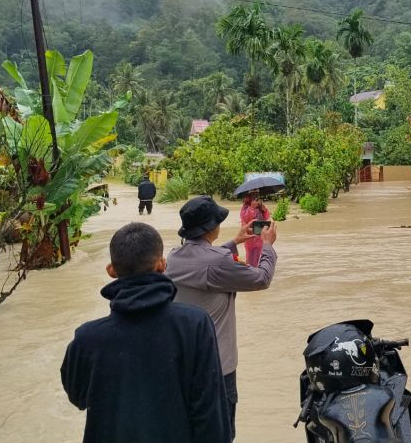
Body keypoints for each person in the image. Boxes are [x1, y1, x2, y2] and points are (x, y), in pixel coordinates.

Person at [61, 222, 231, 443]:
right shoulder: (195, 324)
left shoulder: (87, 338)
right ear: (162, 265)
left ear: (111, 271)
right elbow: (211, 414)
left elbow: (78, 397)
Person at [165, 196, 278, 440]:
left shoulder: (173, 257)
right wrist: (268, 246)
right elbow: (261, 279)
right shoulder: (217, 262)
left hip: (183, 364)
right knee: (222, 434)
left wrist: (235, 241)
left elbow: (205, 264)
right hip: (217, 368)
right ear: (211, 228)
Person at [239, 190, 271, 267]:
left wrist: (264, 210)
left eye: (257, 195)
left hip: (260, 236)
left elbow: (266, 217)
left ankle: (257, 271)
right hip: (250, 238)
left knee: (260, 258)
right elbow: (245, 219)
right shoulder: (245, 207)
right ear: (249, 197)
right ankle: (251, 271)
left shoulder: (260, 207)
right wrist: (252, 207)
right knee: (250, 258)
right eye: (253, 195)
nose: (256, 197)